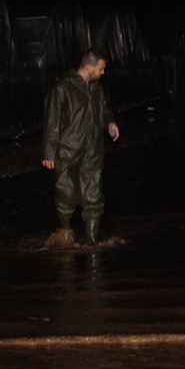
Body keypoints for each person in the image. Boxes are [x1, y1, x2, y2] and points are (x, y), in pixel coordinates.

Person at [42, 48, 121, 247]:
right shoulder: (63, 88)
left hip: (93, 150)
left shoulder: (97, 89)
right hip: (68, 150)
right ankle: (65, 232)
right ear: (90, 66)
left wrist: (110, 122)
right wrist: (49, 152)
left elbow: (104, 110)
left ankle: (93, 243)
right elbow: (52, 122)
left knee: (94, 195)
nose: (103, 73)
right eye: (101, 69)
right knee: (66, 192)